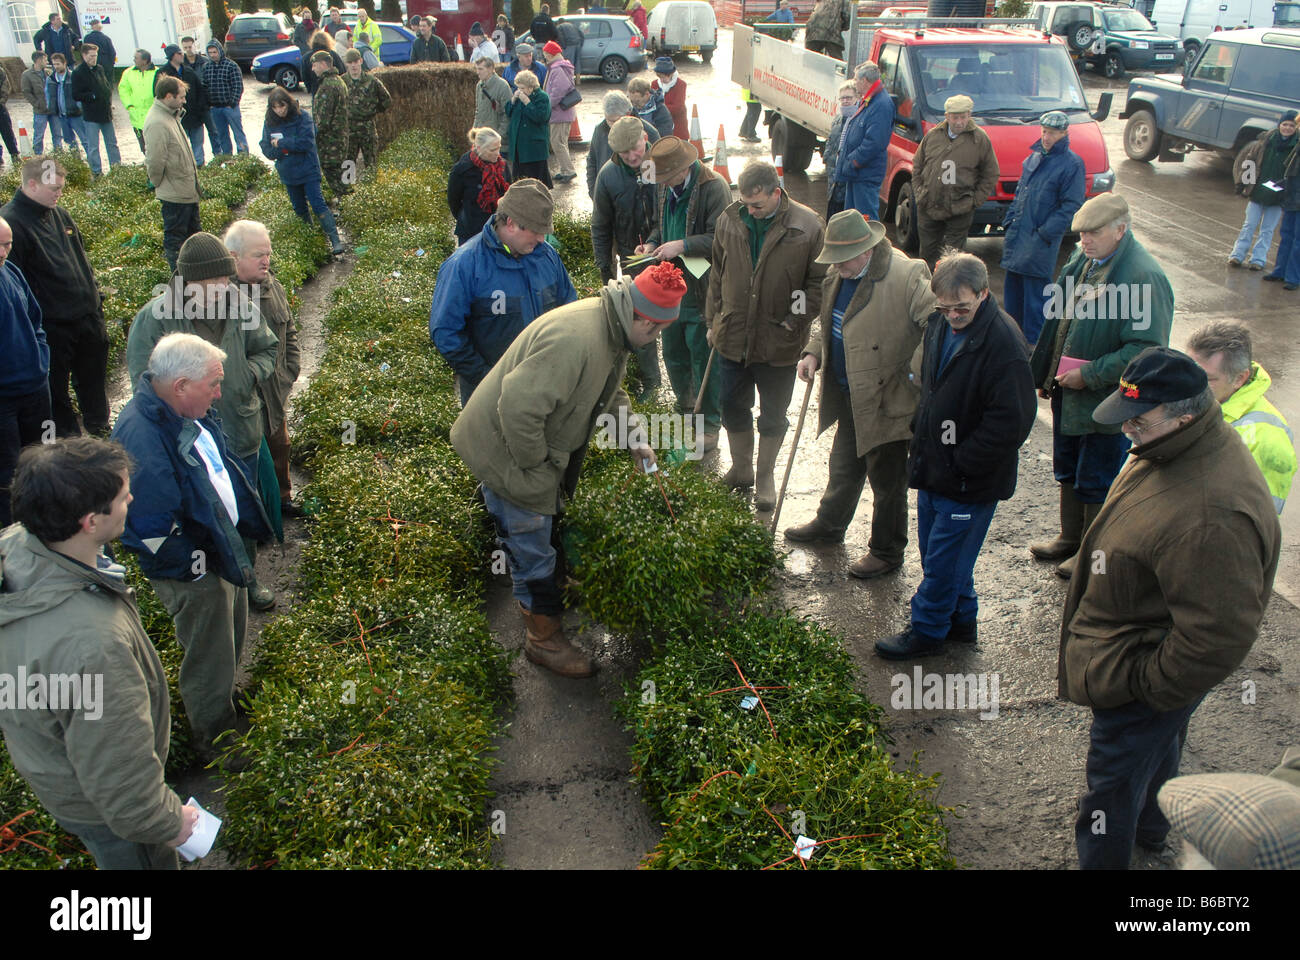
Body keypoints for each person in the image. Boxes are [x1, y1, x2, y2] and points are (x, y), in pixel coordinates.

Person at [1059, 346, 1280, 870]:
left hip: (1139, 673)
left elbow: (1216, 638)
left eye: (1138, 419)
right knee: (1158, 750)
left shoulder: (1211, 514)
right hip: (1141, 657)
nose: (1126, 429)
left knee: (1108, 790)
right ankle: (1154, 830)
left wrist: (1146, 687)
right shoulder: (1176, 443)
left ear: (1185, 413)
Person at [450, 262, 687, 677]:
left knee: (534, 539)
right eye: (658, 332)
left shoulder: (609, 330)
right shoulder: (577, 339)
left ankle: (538, 599)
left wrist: (635, 438)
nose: (655, 341)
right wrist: (537, 467)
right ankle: (544, 641)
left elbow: (609, 395)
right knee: (532, 546)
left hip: (523, 451)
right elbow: (518, 409)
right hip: (508, 452)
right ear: (646, 322)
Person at [0, 437, 198, 869]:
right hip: (113, 816)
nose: (131, 499)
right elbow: (120, 776)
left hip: (56, 774)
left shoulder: (17, 547)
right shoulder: (92, 644)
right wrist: (167, 821)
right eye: (122, 497)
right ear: (90, 521)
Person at [112, 333, 273, 763]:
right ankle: (213, 738)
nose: (219, 393)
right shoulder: (142, 436)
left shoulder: (183, 412)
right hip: (196, 568)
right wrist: (196, 569)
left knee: (229, 635)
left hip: (216, 551)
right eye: (213, 385)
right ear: (180, 385)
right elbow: (150, 526)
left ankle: (222, 702)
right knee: (208, 650)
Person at [875, 252, 1036, 657]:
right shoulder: (938, 325)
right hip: (935, 467)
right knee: (939, 552)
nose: (952, 316)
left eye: (961, 307)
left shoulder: (1003, 343)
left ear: (983, 293)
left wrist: (963, 462)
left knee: (945, 561)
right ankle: (962, 623)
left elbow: (1012, 422)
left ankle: (927, 631)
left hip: (968, 479)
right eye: (944, 308)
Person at [126, 233, 279, 611]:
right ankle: (212, 584)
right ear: (188, 283)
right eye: (213, 284)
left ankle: (247, 579)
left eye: (225, 281)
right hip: (188, 440)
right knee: (203, 513)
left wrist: (247, 377)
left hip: (239, 427)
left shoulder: (240, 306)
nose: (223, 289)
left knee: (238, 504)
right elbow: (142, 381)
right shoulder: (156, 317)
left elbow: (268, 347)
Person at [1028, 192, 1173, 579]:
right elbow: (1059, 322)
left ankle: (1092, 554)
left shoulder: (1142, 275)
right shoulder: (1086, 261)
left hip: (1109, 399)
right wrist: (1047, 375)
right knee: (1070, 467)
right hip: (1069, 391)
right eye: (1080, 234)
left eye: (1093, 233)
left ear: (1120, 229)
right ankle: (1070, 537)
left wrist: (1088, 375)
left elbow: (1146, 350)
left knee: (1097, 475)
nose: (1084, 240)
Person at [785, 210, 933, 578]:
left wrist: (913, 374)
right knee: (844, 466)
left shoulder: (907, 274)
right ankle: (830, 524)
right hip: (850, 393)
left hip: (888, 397)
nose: (835, 266)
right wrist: (814, 351)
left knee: (887, 482)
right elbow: (831, 318)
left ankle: (886, 552)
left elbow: (937, 325)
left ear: (866, 250)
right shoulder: (841, 269)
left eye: (842, 258)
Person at [706, 160, 827, 509]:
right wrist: (712, 320)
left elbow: (817, 282)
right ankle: (742, 469)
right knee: (731, 405)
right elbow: (717, 271)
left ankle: (764, 478)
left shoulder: (807, 226)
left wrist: (794, 319)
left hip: (780, 342)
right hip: (732, 336)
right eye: (746, 204)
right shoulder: (729, 219)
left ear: (777, 192)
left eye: (757, 204)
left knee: (773, 414)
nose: (752, 211)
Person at [431, 180, 577, 405]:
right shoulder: (464, 265)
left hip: (544, 388)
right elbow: (445, 331)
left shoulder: (547, 256)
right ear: (510, 223)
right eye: (536, 231)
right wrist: (486, 379)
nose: (541, 238)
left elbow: (569, 308)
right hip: (488, 396)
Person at [1, 158, 108, 440]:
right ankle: (68, 445)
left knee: (93, 379)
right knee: (56, 392)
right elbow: (15, 284)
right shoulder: (11, 225)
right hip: (54, 327)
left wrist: (95, 298)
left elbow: (82, 258)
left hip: (87, 316)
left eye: (61, 188)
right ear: (32, 184)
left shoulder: (60, 215)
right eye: (54, 188)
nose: (59, 193)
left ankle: (100, 429)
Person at [635, 136, 729, 428]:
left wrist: (683, 245)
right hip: (669, 286)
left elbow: (721, 238)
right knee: (672, 351)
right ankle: (685, 406)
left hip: (700, 285)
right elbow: (657, 226)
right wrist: (651, 245)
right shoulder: (665, 188)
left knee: (701, 355)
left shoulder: (714, 188)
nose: (661, 182)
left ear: (683, 168)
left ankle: (709, 421)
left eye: (666, 176)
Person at [225, 220, 302, 518]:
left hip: (275, 390)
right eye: (258, 254)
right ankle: (254, 513)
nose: (266, 260)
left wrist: (290, 369)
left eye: (268, 253)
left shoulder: (273, 288)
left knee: (279, 444)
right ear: (234, 257)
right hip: (245, 396)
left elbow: (290, 330)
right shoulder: (223, 298)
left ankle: (282, 499)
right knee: (248, 455)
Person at [1186, 321, 1296, 514]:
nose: (1190, 385)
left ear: (1239, 378)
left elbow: (1258, 519)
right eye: (1188, 372)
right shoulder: (1204, 402)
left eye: (1207, 379)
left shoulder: (1267, 440)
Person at [1001, 111, 1085, 346]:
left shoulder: (1072, 164)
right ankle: (1012, 346)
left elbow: (1072, 206)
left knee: (1035, 305)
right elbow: (1020, 194)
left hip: (1040, 245)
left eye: (1053, 133)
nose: (1047, 137)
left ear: (1064, 133)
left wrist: (1044, 233)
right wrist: (1009, 223)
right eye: (1045, 131)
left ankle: (1033, 353)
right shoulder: (1033, 158)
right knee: (1012, 303)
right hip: (1017, 240)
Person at [0, 216, 51, 527]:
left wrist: (40, 359)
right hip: (3, 402)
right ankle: (15, 534)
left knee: (42, 460)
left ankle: (48, 522)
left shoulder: (11, 271)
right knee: (8, 475)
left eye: (7, 245)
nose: (3, 252)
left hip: (34, 388)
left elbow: (36, 318)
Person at [912, 95, 999, 269]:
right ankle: (927, 292)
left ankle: (949, 293)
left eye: (963, 117)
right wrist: (920, 193)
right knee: (927, 255)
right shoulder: (933, 135)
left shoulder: (979, 139)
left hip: (960, 208)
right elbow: (917, 166)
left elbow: (991, 173)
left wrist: (974, 201)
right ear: (947, 116)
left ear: (969, 115)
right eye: (955, 117)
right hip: (929, 205)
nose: (959, 122)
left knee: (953, 259)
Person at [260, 87, 345, 254]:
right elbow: (266, 147)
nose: (279, 111)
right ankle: (312, 241)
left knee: (317, 203)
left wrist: (282, 144)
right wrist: (284, 149)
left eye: (282, 106)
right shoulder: (269, 122)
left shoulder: (302, 117)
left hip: (308, 168)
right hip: (288, 171)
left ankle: (335, 240)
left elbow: (306, 142)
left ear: (288, 103)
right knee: (299, 207)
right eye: (275, 107)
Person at [143, 76, 202, 271]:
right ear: (168, 96)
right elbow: (154, 161)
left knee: (195, 238)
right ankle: (180, 279)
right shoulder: (157, 123)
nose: (184, 101)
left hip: (185, 190)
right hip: (175, 194)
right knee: (176, 240)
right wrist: (159, 183)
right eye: (181, 97)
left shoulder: (170, 115)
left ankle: (197, 275)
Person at [591, 118, 656, 286]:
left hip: (668, 250)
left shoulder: (663, 164)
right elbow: (600, 224)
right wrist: (604, 266)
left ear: (645, 138)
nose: (632, 156)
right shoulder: (607, 176)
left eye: (635, 148)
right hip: (632, 259)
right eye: (624, 152)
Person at [1229, 112, 1296, 270]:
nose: (1287, 128)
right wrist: (1243, 183)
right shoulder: (1264, 143)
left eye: (1291, 125)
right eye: (1285, 124)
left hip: (1278, 196)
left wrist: (1288, 188)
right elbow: (1250, 163)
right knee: (1249, 225)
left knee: (1267, 230)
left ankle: (1258, 260)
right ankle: (1237, 255)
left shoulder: (1296, 148)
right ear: (1279, 125)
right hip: (1257, 192)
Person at [835, 61, 893, 221]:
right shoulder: (869, 99)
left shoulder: (881, 104)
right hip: (857, 173)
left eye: (856, 79)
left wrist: (853, 161)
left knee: (865, 221)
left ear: (865, 81)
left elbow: (875, 142)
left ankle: (870, 247)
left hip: (865, 174)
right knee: (853, 219)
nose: (854, 83)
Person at [448, 127, 513, 246]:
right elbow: (453, 200)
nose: (497, 154)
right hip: (470, 231)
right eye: (492, 150)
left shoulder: (502, 166)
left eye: (498, 148)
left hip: (497, 229)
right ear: (479, 148)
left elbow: (509, 195)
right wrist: (466, 217)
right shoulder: (462, 169)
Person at [587, 91, 659, 198]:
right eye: (608, 120)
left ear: (628, 114)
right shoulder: (600, 130)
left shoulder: (649, 132)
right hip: (607, 194)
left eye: (615, 120)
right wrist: (594, 191)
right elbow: (592, 161)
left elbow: (657, 173)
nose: (611, 125)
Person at [155, 44, 210, 168]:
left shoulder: (188, 71)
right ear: (171, 56)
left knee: (198, 143)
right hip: (176, 117)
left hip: (194, 115)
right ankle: (184, 166)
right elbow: (158, 95)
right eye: (179, 53)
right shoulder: (163, 74)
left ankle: (199, 165)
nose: (182, 55)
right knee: (179, 145)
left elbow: (200, 90)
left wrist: (201, 108)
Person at [70, 43, 120, 177]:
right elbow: (75, 94)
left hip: (105, 112)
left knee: (112, 143)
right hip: (91, 114)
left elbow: (106, 86)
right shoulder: (77, 73)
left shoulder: (99, 69)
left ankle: (117, 169)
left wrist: (108, 100)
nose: (94, 58)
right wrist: (92, 96)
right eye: (91, 56)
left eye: (95, 56)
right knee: (93, 146)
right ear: (84, 55)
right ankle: (97, 172)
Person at [343, 48, 392, 174]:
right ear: (346, 64)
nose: (353, 65)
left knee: (371, 163)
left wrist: (373, 111)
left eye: (356, 61)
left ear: (361, 61)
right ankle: (346, 191)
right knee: (347, 163)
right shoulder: (341, 83)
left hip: (367, 127)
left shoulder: (372, 81)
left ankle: (372, 189)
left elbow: (387, 100)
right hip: (349, 129)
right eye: (350, 62)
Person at [1265, 115, 1300, 289]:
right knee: (1286, 236)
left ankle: (1293, 278)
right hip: (1292, 197)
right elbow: (1291, 172)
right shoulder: (1298, 145)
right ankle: (1280, 271)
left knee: (1298, 241)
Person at [310, 50, 352, 198]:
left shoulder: (327, 86)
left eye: (314, 65)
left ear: (323, 64)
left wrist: (311, 137)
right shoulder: (339, 81)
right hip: (340, 137)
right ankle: (348, 203)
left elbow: (322, 120)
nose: (313, 69)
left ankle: (347, 206)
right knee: (343, 176)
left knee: (335, 176)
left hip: (330, 142)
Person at [505, 69, 552, 187]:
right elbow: (508, 112)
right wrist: (512, 100)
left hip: (534, 149)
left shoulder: (542, 97)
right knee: (519, 181)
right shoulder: (519, 97)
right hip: (519, 148)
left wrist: (528, 103)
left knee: (537, 181)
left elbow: (541, 117)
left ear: (531, 87)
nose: (519, 91)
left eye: (522, 88)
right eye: (518, 88)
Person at [541, 42, 578, 184]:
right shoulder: (560, 67)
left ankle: (568, 170)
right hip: (563, 113)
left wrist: (549, 106)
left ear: (550, 54)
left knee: (557, 142)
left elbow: (558, 91)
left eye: (546, 55)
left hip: (559, 113)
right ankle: (565, 170)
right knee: (560, 142)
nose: (544, 58)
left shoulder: (556, 69)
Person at [204, 39, 248, 156]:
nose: (213, 55)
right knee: (222, 135)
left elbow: (238, 86)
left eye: (214, 52)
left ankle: (244, 158)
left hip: (230, 107)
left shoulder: (231, 66)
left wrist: (232, 103)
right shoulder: (206, 67)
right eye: (210, 53)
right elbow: (205, 86)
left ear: (220, 51)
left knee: (238, 134)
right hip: (215, 108)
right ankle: (227, 158)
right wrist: (209, 104)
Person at [823, 81, 858, 219]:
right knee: (831, 219)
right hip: (833, 181)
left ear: (857, 98)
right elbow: (830, 143)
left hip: (847, 180)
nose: (845, 101)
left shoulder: (858, 120)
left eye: (849, 97)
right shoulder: (837, 119)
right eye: (842, 98)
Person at [44, 54, 87, 162]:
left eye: (58, 64)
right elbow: (48, 96)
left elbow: (80, 95)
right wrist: (51, 109)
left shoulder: (73, 76)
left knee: (85, 140)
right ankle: (77, 163)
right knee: (69, 141)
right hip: (62, 115)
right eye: (54, 64)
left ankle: (93, 164)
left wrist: (80, 109)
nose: (56, 67)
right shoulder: (51, 79)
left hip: (76, 114)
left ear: (64, 63)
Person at [118, 50, 157, 154]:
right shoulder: (128, 73)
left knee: (157, 144)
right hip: (137, 117)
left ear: (144, 61)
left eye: (136, 58)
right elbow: (123, 90)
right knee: (143, 146)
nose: (133, 60)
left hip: (154, 115)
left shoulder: (157, 72)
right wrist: (129, 105)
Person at [472, 56, 512, 150]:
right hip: (482, 139)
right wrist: (474, 132)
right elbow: (478, 112)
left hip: (496, 142)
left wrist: (498, 136)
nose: (478, 72)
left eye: (481, 69)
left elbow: (507, 115)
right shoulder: (479, 85)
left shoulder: (503, 86)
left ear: (490, 69)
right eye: (477, 69)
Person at [20, 52, 54, 155]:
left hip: (53, 110)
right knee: (39, 136)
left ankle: (59, 154)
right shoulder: (27, 74)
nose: (47, 62)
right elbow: (26, 92)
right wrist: (36, 104)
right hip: (40, 111)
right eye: (45, 60)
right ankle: (37, 156)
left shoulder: (49, 73)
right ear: (38, 60)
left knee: (57, 135)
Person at [652, 57, 687, 140]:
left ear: (671, 74)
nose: (662, 80)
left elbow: (678, 107)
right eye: (660, 77)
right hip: (660, 129)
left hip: (678, 128)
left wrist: (659, 109)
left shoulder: (681, 85)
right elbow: (652, 104)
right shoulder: (654, 85)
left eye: (664, 77)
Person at [304, 31, 347, 95]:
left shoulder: (307, 57)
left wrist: (310, 89)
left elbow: (304, 76)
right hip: (334, 90)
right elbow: (342, 71)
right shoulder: (333, 55)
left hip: (316, 90)